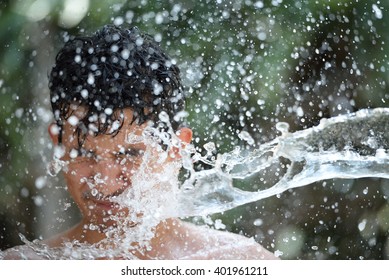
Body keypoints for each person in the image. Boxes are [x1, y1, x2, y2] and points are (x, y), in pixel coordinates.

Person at [1, 25, 278, 260]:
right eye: (84, 153)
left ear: (177, 149)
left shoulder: (236, 262)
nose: (105, 183)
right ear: (58, 145)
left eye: (130, 154)